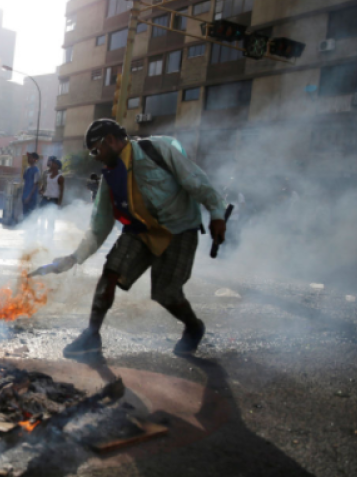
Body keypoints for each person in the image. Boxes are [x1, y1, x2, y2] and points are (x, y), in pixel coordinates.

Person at [35, 120, 227, 358]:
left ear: (112, 140)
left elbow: (195, 181)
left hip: (179, 228)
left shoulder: (156, 151)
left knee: (166, 293)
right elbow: (99, 224)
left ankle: (193, 327)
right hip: (140, 230)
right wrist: (75, 258)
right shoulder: (110, 176)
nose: (95, 156)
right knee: (110, 271)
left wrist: (217, 214)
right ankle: (92, 335)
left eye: (97, 150)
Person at [40, 158, 65, 235]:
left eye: (54, 163)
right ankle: (41, 234)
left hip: (53, 200)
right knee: (41, 217)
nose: (51, 164)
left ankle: (49, 237)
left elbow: (61, 192)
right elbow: (44, 187)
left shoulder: (60, 177)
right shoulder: (48, 176)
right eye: (52, 163)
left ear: (57, 166)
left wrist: (59, 204)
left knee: (51, 220)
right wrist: (42, 191)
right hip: (45, 198)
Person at [22, 152, 41, 219]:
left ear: (34, 159)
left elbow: (35, 185)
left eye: (30, 158)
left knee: (30, 217)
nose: (28, 159)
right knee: (25, 216)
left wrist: (29, 197)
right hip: (25, 196)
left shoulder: (36, 171)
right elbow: (25, 180)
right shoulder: (27, 169)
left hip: (31, 198)